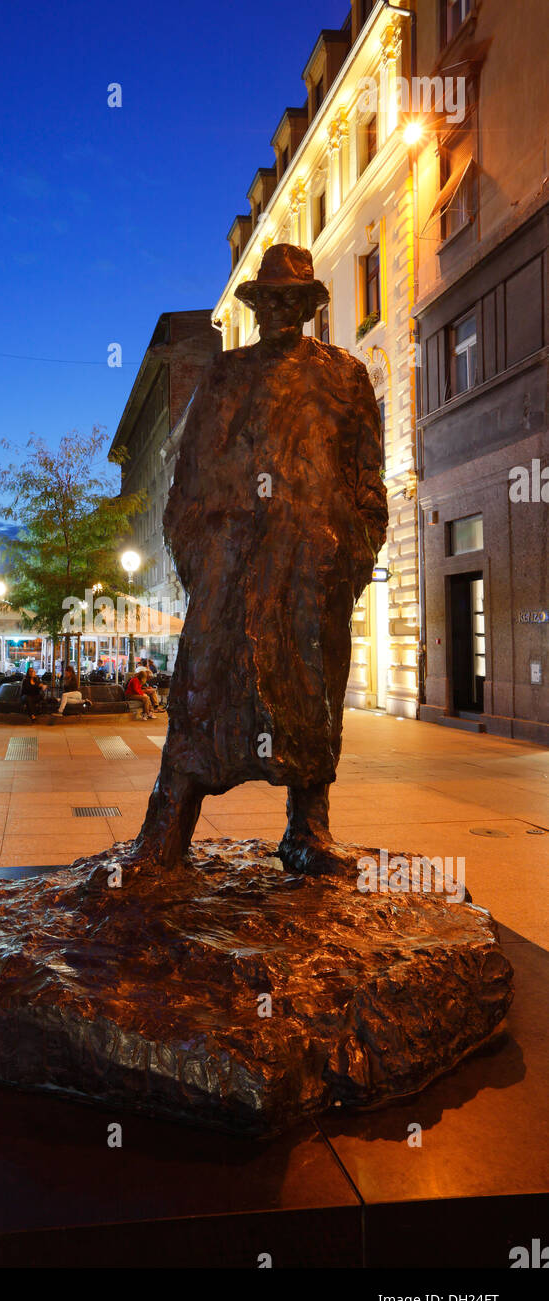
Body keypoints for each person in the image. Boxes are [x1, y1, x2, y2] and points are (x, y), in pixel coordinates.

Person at [127, 244, 387, 876]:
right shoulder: (225, 375)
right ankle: (169, 829)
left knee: (313, 688)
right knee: (204, 681)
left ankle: (309, 828)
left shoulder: (346, 375)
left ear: (305, 307)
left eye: (289, 301)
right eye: (267, 300)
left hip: (309, 563)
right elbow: (189, 474)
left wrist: (346, 552)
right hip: (232, 563)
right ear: (257, 306)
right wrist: (201, 556)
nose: (277, 311)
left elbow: (366, 476)